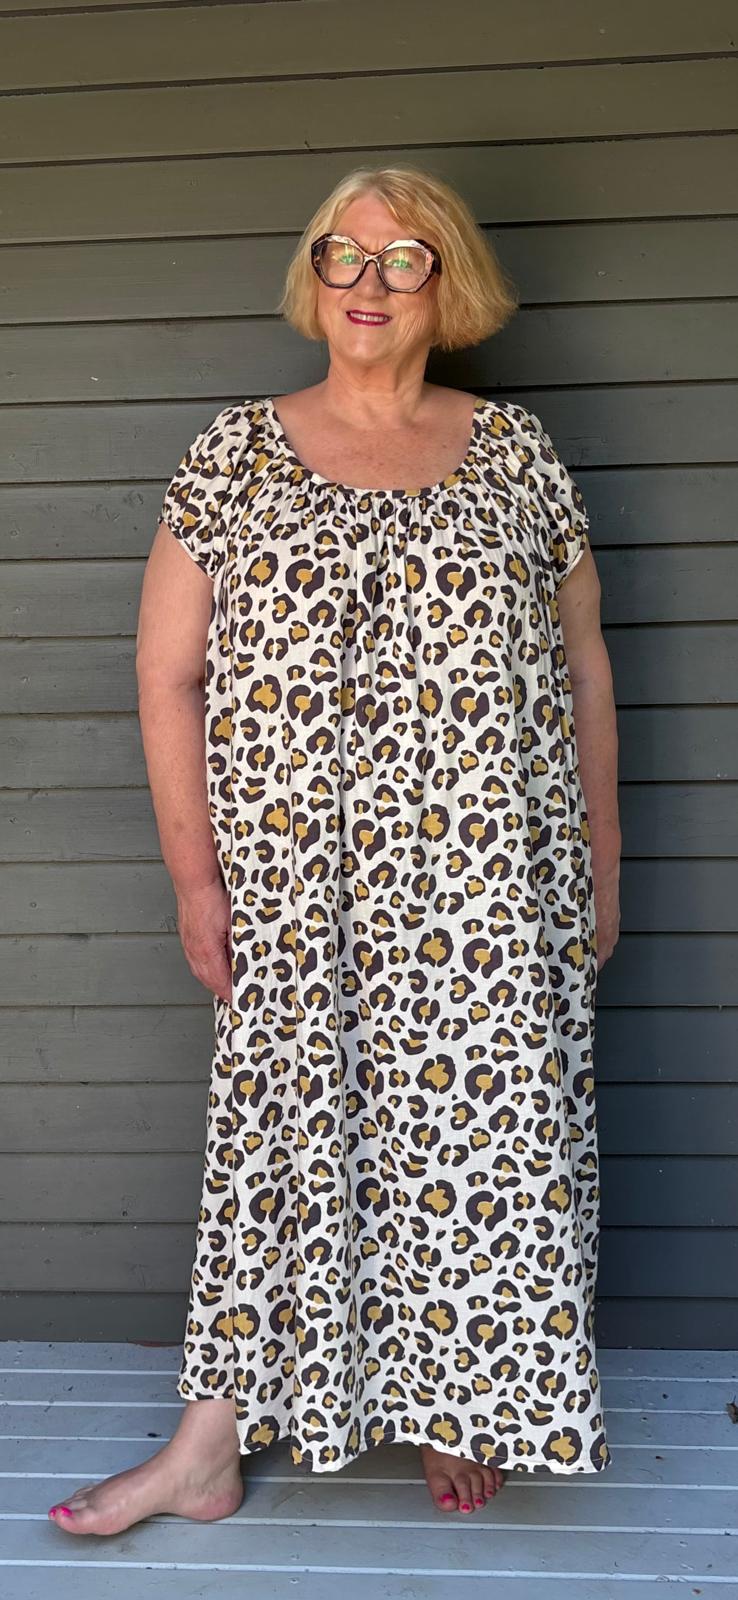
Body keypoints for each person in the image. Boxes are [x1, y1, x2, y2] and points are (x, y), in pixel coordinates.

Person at [48, 163, 620, 1538]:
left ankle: (459, 1403)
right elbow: (166, 675)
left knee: (480, 1140)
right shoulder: (234, 454)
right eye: (342, 254)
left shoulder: (517, 454)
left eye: (404, 258)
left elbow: (584, 670)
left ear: (449, 285)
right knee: (280, 1144)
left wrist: (603, 863)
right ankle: (207, 1448)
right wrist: (196, 880)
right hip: (296, 887)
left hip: (489, 886)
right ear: (312, 277)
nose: (368, 282)